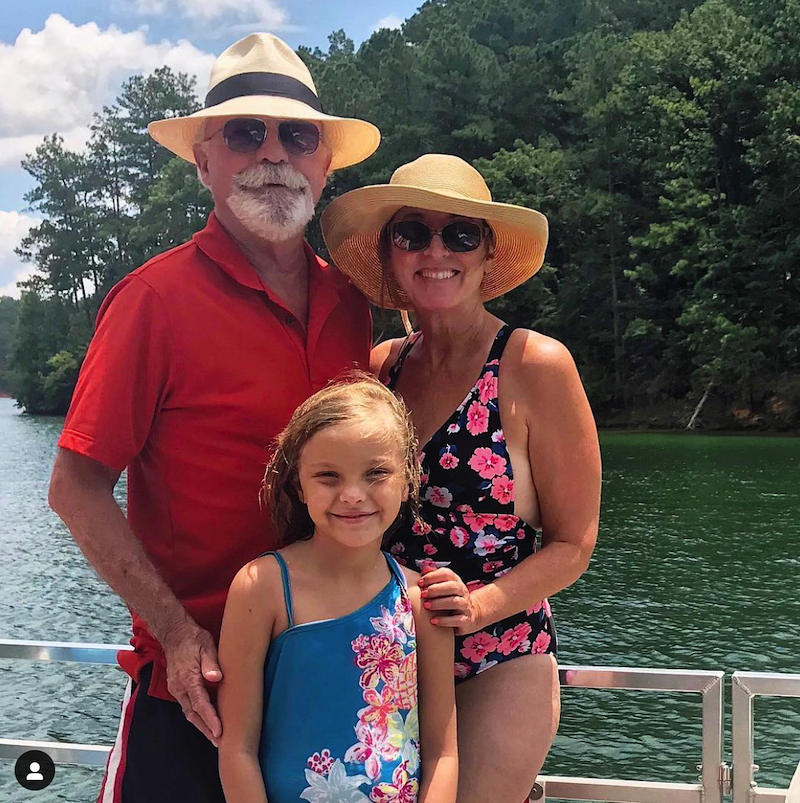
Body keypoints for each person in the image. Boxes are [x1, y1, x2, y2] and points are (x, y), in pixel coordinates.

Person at [47, 33, 380, 803]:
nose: (273, 154)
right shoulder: (153, 302)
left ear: (324, 163)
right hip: (193, 690)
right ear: (204, 160)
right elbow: (75, 485)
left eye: (297, 135)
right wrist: (173, 630)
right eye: (243, 133)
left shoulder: (354, 305)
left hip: (331, 682)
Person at [321, 154, 602, 803]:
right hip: (384, 652)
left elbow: (574, 543)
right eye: (412, 233)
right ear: (391, 255)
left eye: (460, 233)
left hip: (500, 653)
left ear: (485, 252)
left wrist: (478, 605)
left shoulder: (534, 364)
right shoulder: (377, 371)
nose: (436, 249)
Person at [217, 373, 457, 803]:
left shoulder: (422, 600)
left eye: (376, 473)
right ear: (299, 484)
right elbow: (236, 749)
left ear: (406, 480)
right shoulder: (262, 588)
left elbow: (443, 754)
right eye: (328, 476)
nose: (351, 495)